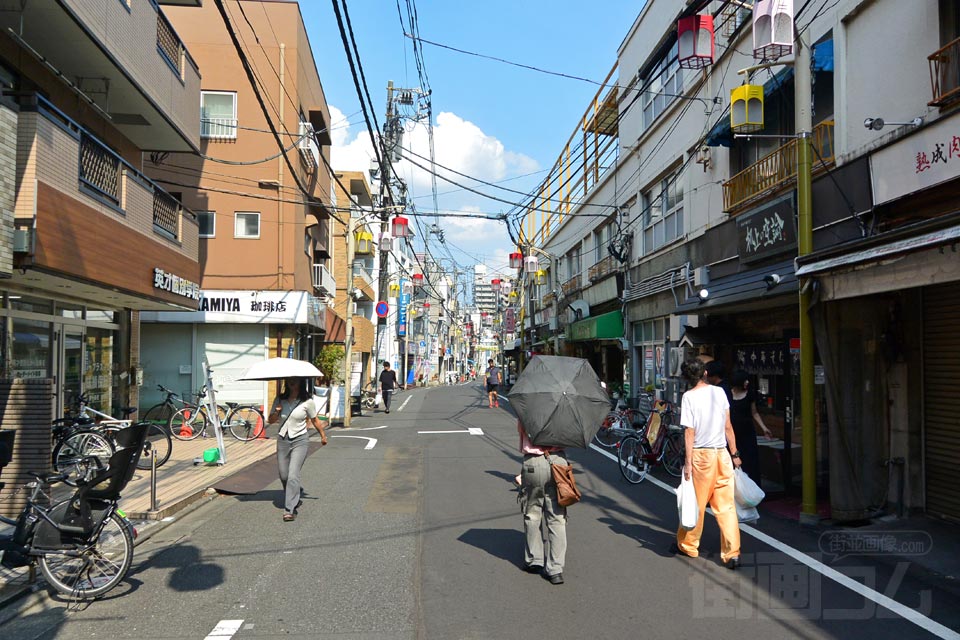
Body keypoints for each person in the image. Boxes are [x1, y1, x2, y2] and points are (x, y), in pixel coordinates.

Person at [674, 358, 743, 569]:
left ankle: (689, 545)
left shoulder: (688, 397)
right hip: (722, 454)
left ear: (687, 377)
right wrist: (735, 453)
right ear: (704, 373)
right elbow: (728, 426)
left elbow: (689, 432)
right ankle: (732, 553)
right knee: (726, 506)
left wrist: (687, 463)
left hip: (701, 456)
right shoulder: (719, 392)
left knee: (698, 503)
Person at [268, 377, 327, 522]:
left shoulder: (307, 401)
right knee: (284, 475)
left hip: (300, 440)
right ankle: (293, 492)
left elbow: (315, 420)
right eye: (289, 380)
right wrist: (276, 412)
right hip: (283, 440)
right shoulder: (280, 399)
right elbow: (270, 420)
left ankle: (289, 509)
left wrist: (323, 435)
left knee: (293, 474)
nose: (291, 382)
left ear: (300, 382)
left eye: (294, 380)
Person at [517, 420, 567, 585]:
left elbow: (522, 431)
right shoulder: (564, 408)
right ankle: (555, 570)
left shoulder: (528, 406)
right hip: (558, 461)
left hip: (534, 461)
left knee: (532, 512)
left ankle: (534, 560)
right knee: (557, 517)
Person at [729, 369, 773, 487]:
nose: (747, 382)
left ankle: (752, 489)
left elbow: (754, 413)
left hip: (747, 431)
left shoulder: (750, 394)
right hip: (732, 432)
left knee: (750, 460)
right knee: (733, 459)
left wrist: (764, 428)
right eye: (745, 380)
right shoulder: (728, 394)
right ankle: (735, 489)